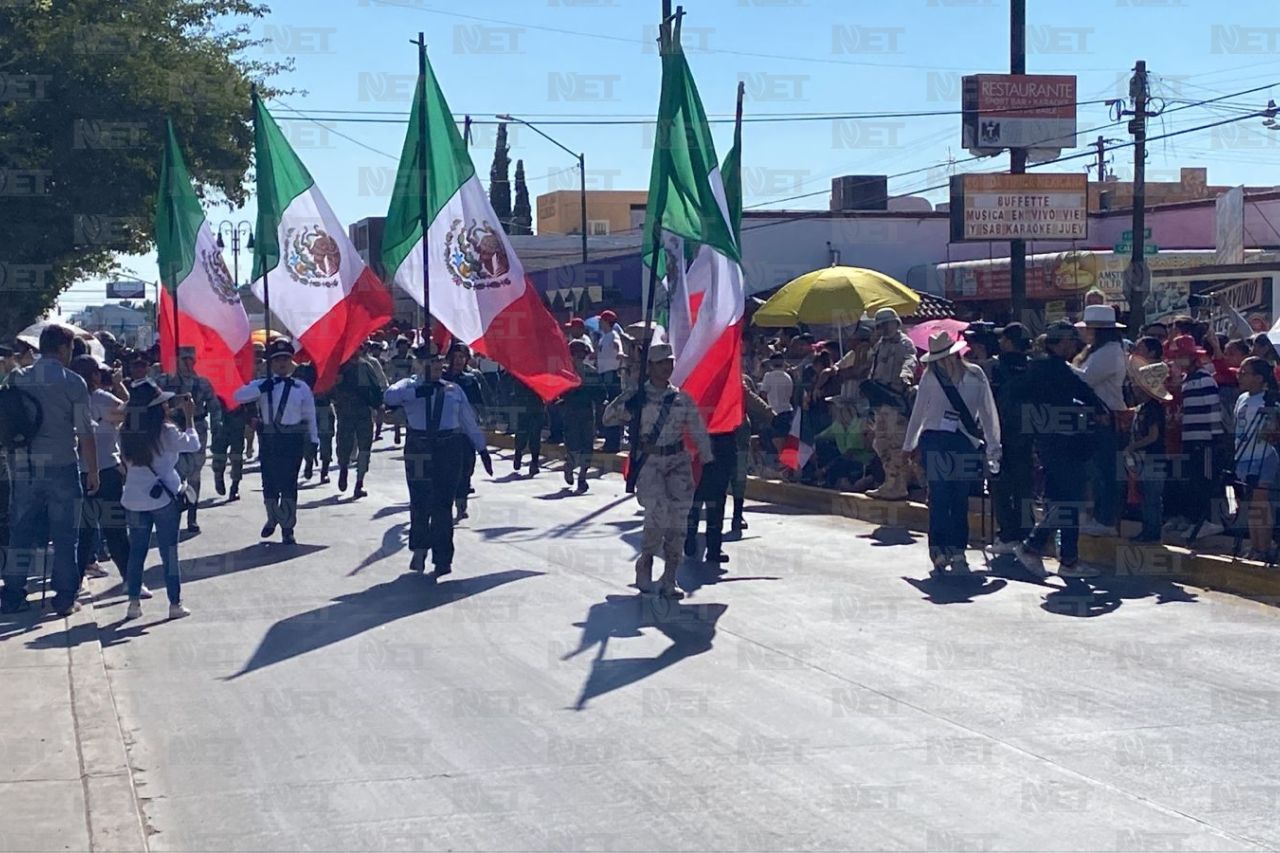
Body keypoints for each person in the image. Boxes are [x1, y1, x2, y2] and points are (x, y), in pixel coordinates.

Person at [1, 324, 98, 615]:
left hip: (24, 466)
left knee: (20, 532)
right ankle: (64, 599)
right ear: (64, 348)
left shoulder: (18, 377)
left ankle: (13, 594)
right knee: (66, 535)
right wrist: (92, 471)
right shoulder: (74, 383)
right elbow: (85, 433)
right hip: (62, 465)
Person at [602, 343, 713, 599]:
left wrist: (708, 459)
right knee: (658, 513)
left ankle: (670, 577)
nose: (667, 367)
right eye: (661, 362)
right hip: (650, 462)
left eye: (670, 362)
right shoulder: (637, 394)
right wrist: (630, 406)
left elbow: (697, 430)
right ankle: (647, 562)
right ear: (649, 367)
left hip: (677, 462)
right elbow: (608, 418)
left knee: (678, 521)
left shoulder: (681, 398)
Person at [384, 343, 493, 575]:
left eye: (438, 361)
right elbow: (389, 396)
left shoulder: (453, 389)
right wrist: (416, 392)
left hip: (448, 447)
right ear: (419, 364)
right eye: (429, 362)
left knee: (443, 503)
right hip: (419, 447)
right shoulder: (409, 385)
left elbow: (468, 422)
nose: (436, 366)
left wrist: (482, 449)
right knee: (421, 501)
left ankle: (443, 558)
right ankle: (420, 549)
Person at [1014, 322, 1109, 580]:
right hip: (1061, 443)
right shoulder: (1051, 368)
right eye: (1070, 340)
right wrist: (1099, 412)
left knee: (1060, 500)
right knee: (1070, 500)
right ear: (1060, 342)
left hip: (1049, 443)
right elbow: (1083, 392)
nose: (1074, 344)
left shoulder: (1041, 366)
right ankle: (1033, 545)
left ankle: (1068, 560)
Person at [903, 331, 1001, 576]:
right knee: (958, 498)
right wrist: (993, 447)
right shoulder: (975, 375)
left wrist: (908, 446)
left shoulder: (931, 377)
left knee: (940, 497)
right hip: (962, 443)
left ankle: (940, 549)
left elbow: (919, 414)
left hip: (937, 441)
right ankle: (956, 549)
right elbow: (988, 414)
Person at [119, 380, 199, 620]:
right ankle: (175, 604)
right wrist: (190, 416)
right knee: (169, 552)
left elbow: (124, 460)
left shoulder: (125, 430)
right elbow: (193, 444)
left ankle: (134, 604)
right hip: (164, 497)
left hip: (134, 497)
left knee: (137, 552)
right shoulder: (167, 431)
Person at [232, 339, 319, 544]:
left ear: (292, 362)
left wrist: (314, 440)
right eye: (277, 360)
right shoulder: (262, 384)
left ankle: (287, 527)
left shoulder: (301, 387)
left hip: (292, 439)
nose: (282, 364)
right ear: (271, 363)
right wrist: (261, 388)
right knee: (270, 483)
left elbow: (310, 415)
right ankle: (273, 517)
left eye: (286, 359)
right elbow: (238, 396)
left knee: (289, 484)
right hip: (270, 438)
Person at [69, 356, 132, 585]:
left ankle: (73, 586)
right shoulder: (102, 398)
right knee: (115, 529)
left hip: (78, 471)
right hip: (106, 470)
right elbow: (129, 411)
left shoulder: (69, 399)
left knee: (83, 532)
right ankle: (131, 579)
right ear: (94, 375)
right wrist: (118, 385)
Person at [1076, 304, 1128, 536]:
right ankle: (1099, 515)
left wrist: (1062, 368)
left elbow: (1087, 379)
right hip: (1095, 417)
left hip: (1107, 417)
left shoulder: (1110, 352)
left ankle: (1105, 519)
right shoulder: (1096, 350)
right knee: (1096, 471)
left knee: (1105, 471)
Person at [157, 346, 218, 534]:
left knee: (194, 474)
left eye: (191, 359)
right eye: (184, 359)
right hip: (171, 429)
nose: (187, 363)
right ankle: (171, 515)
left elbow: (214, 406)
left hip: (196, 427)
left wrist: (218, 427)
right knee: (172, 473)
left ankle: (192, 516)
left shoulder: (202, 383)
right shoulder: (165, 380)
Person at [1171, 335, 1224, 541]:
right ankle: (1197, 520)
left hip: (1206, 440)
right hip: (1191, 438)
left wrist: (1215, 438)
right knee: (1194, 481)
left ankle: (1211, 521)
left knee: (1205, 481)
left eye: (1183, 356)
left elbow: (1213, 409)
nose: (1179, 361)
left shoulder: (1204, 379)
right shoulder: (1187, 381)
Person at [988, 323, 1035, 554]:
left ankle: (1007, 535)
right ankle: (1026, 535)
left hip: (1000, 434)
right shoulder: (1033, 367)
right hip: (1027, 436)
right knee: (1024, 487)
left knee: (1000, 486)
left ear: (1008, 341)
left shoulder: (994, 367)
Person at [865, 307, 918, 500]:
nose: (883, 329)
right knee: (881, 443)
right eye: (880, 325)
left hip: (895, 399)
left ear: (896, 323)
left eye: (885, 324)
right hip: (879, 400)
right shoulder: (880, 345)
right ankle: (891, 482)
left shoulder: (904, 343)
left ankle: (899, 484)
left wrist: (905, 376)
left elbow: (910, 361)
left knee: (897, 445)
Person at [1232, 357, 1280, 560]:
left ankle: (1264, 547)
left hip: (1264, 455)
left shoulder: (1269, 399)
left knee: (1261, 501)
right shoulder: (1242, 398)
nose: (1240, 376)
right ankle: (1254, 546)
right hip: (1243, 456)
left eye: (1245, 373)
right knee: (1249, 502)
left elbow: (1274, 429)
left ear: (1259, 378)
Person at [331, 340, 388, 498]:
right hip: (348, 413)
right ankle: (344, 468)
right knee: (345, 445)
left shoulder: (363, 367)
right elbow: (332, 388)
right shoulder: (343, 367)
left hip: (360, 412)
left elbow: (374, 388)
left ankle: (359, 482)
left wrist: (378, 405)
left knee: (364, 449)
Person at [1125, 360, 1172, 543]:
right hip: (1143, 459)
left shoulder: (1153, 408)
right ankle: (1147, 529)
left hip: (1153, 458)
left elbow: (1153, 436)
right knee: (1144, 496)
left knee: (1151, 497)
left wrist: (1133, 447)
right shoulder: (1142, 408)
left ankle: (1152, 532)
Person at [442, 343, 487, 519]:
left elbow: (479, 404)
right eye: (456, 356)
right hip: (445, 431)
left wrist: (481, 421)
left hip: (466, 432)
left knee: (466, 468)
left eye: (462, 357)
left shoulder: (470, 380)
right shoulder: (442, 379)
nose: (459, 360)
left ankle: (462, 503)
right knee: (446, 469)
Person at [558, 337, 607, 493]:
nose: (578, 357)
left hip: (586, 414)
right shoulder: (565, 373)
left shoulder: (590, 373)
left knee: (587, 448)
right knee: (573, 447)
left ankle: (582, 477)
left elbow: (601, 395)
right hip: (570, 414)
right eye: (576, 354)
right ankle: (570, 467)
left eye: (581, 354)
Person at [294, 359, 336, 484]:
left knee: (326, 439)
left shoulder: (330, 369)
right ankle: (309, 462)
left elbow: (337, 389)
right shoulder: (302, 369)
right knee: (307, 440)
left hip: (324, 407)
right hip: (307, 409)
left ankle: (324, 471)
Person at [596, 309, 628, 453]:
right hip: (603, 374)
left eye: (601, 321)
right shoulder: (603, 338)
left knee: (613, 407)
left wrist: (620, 352)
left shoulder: (613, 335)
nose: (599, 323)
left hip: (612, 374)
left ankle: (614, 442)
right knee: (607, 408)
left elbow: (617, 345)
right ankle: (609, 440)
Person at [511, 377, 546, 476]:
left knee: (534, 436)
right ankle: (519, 454)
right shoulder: (521, 375)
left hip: (535, 408)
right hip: (527, 407)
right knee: (524, 434)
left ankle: (533, 463)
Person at [384, 336, 415, 445]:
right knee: (397, 413)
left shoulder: (412, 360)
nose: (403, 349)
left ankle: (408, 432)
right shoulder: (394, 360)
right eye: (401, 347)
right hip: (397, 388)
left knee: (409, 415)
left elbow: (415, 373)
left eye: (405, 346)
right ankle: (397, 430)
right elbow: (390, 374)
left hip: (409, 388)